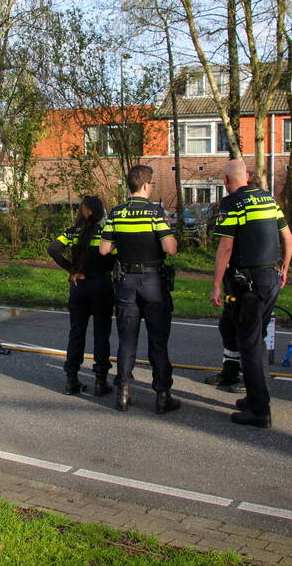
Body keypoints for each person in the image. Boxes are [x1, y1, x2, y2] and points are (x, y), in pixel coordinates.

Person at [210, 160, 292, 429]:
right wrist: (285, 268)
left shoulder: (232, 203)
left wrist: (216, 285)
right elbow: (289, 238)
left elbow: (225, 247)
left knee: (249, 345)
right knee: (255, 337)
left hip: (248, 283)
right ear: (246, 176)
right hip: (270, 278)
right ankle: (253, 397)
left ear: (225, 180)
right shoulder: (267, 199)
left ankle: (259, 410)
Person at [99, 165, 180, 414]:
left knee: (126, 340)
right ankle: (162, 396)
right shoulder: (155, 213)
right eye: (153, 183)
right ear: (146, 184)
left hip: (125, 283)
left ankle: (122, 393)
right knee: (158, 341)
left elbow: (103, 249)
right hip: (152, 282)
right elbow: (170, 248)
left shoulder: (116, 213)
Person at [47, 195, 116, 397]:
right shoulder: (107, 233)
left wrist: (72, 269)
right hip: (102, 286)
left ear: (83, 211)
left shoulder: (72, 232)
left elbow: (52, 248)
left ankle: (71, 379)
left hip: (79, 286)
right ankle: (101, 381)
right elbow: (117, 256)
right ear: (101, 211)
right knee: (102, 334)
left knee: (76, 332)